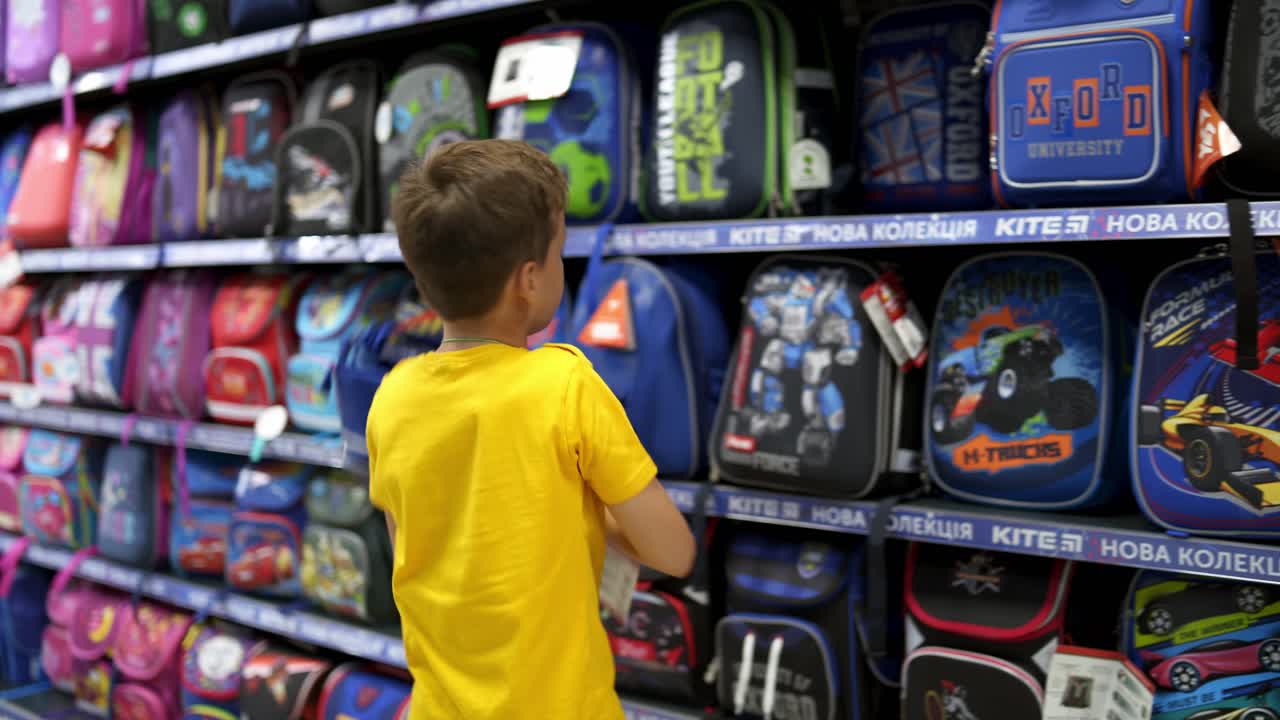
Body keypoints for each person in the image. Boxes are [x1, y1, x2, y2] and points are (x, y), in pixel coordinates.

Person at [368, 139, 697, 719]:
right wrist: (598, 521)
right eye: (559, 252)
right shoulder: (563, 384)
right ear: (528, 279)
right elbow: (674, 552)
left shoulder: (391, 397)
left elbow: (415, 550)